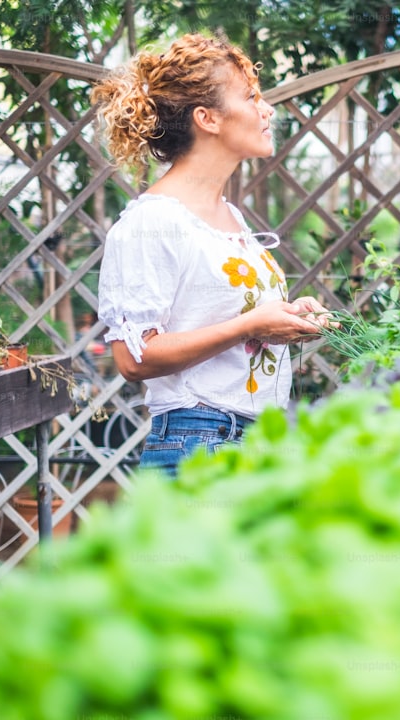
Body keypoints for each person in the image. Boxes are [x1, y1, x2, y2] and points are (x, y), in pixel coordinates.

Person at [92, 33, 330, 476]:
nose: (267, 108)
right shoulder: (152, 223)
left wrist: (287, 316)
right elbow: (132, 358)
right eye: (251, 96)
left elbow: (223, 317)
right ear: (208, 118)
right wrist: (251, 325)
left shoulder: (230, 217)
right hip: (201, 444)